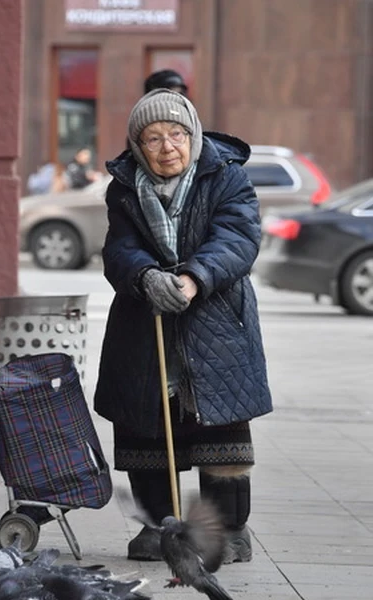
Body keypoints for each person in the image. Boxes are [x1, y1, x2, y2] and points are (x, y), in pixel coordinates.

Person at [93, 89, 272, 563]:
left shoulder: (227, 178)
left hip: (216, 323)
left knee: (221, 436)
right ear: (137, 145)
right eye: (153, 138)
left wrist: (194, 278)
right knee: (150, 428)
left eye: (176, 134)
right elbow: (118, 250)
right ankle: (160, 529)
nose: (167, 146)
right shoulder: (124, 187)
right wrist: (144, 277)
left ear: (192, 135)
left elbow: (238, 237)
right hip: (144, 324)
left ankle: (228, 533)